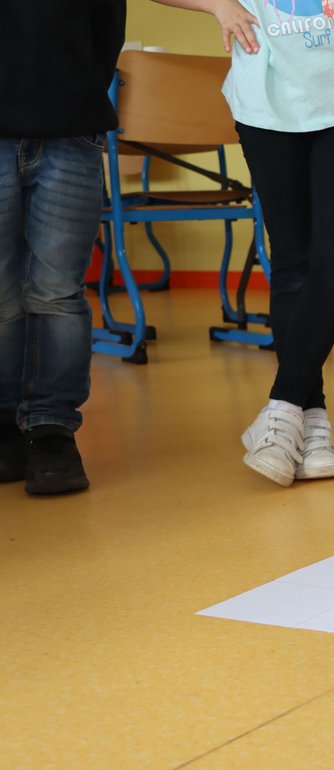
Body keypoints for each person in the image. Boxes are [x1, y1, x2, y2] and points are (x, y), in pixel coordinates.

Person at [152, 0, 334, 486]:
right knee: (293, 263)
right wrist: (218, 5)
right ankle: (313, 421)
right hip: (264, 103)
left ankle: (283, 407)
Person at [0, 1, 126, 495]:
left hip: (71, 126)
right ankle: (5, 421)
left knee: (58, 290)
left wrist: (80, 89)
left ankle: (52, 429)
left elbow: (107, 27)